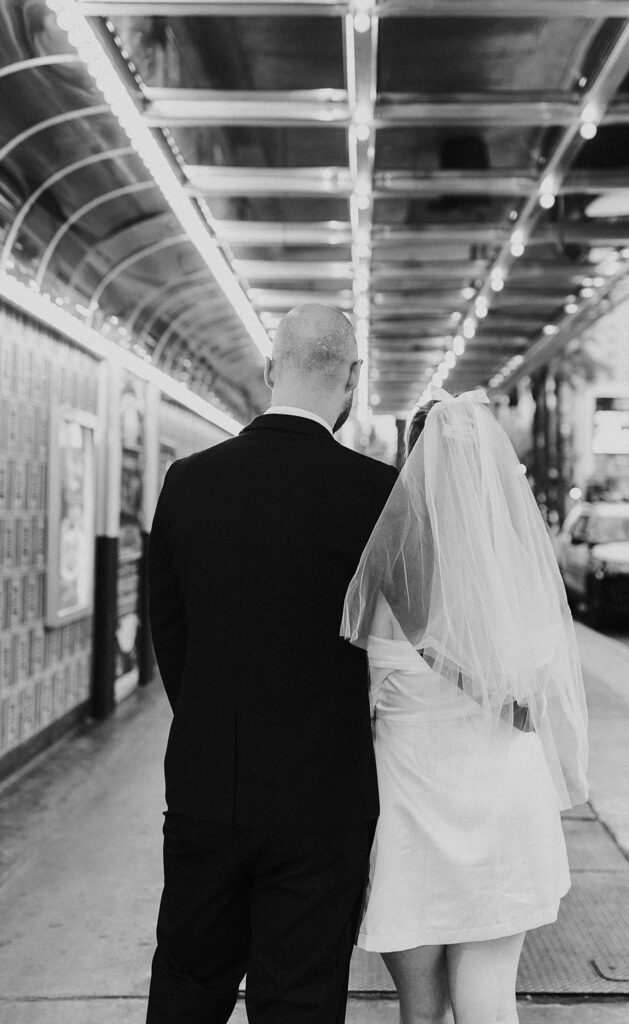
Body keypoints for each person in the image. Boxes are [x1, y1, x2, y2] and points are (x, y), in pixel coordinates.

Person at [146, 303, 397, 1024]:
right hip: (325, 803)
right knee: (301, 1001)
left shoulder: (188, 483)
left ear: (267, 370)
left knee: (187, 990)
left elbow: (173, 634)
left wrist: (211, 723)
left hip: (206, 788)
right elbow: (395, 645)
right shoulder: (376, 495)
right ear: (353, 378)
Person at [342, 387, 589, 1024]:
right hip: (504, 797)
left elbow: (353, 699)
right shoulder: (517, 570)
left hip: (410, 803)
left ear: (411, 462)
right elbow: (532, 698)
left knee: (419, 1007)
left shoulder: (378, 572)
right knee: (489, 990)